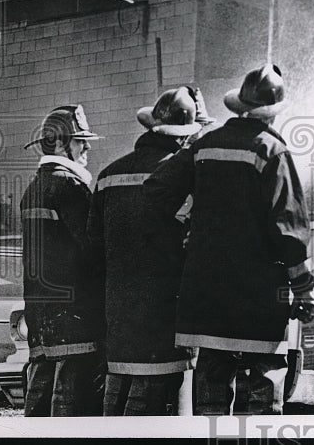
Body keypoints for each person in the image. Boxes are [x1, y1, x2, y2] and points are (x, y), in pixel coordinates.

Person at [144, 64, 314, 415]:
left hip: (204, 293)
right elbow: (289, 232)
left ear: (239, 106)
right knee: (262, 389)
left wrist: (188, 229)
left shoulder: (205, 144)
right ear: (272, 114)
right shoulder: (272, 152)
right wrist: (304, 291)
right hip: (258, 298)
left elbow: (156, 191)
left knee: (210, 387)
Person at [87, 86, 205, 416]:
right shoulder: (186, 177)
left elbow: (93, 250)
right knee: (161, 417)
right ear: (183, 136)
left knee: (116, 408)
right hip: (166, 322)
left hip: (119, 319)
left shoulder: (109, 175)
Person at [20, 104, 106, 417]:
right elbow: (94, 251)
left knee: (40, 401)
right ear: (61, 143)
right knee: (74, 406)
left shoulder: (34, 188)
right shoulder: (70, 187)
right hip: (77, 320)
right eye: (80, 140)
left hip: (42, 320)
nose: (87, 146)